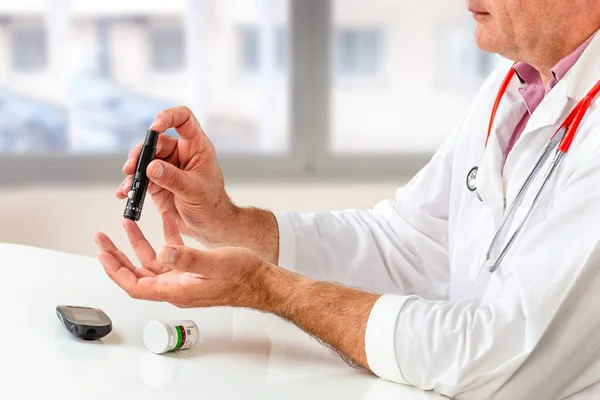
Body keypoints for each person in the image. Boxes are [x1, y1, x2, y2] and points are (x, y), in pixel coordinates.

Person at [94, 1, 600, 398]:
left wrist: (266, 288)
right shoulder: (514, 87)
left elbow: (498, 363)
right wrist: (227, 221)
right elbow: (406, 242)